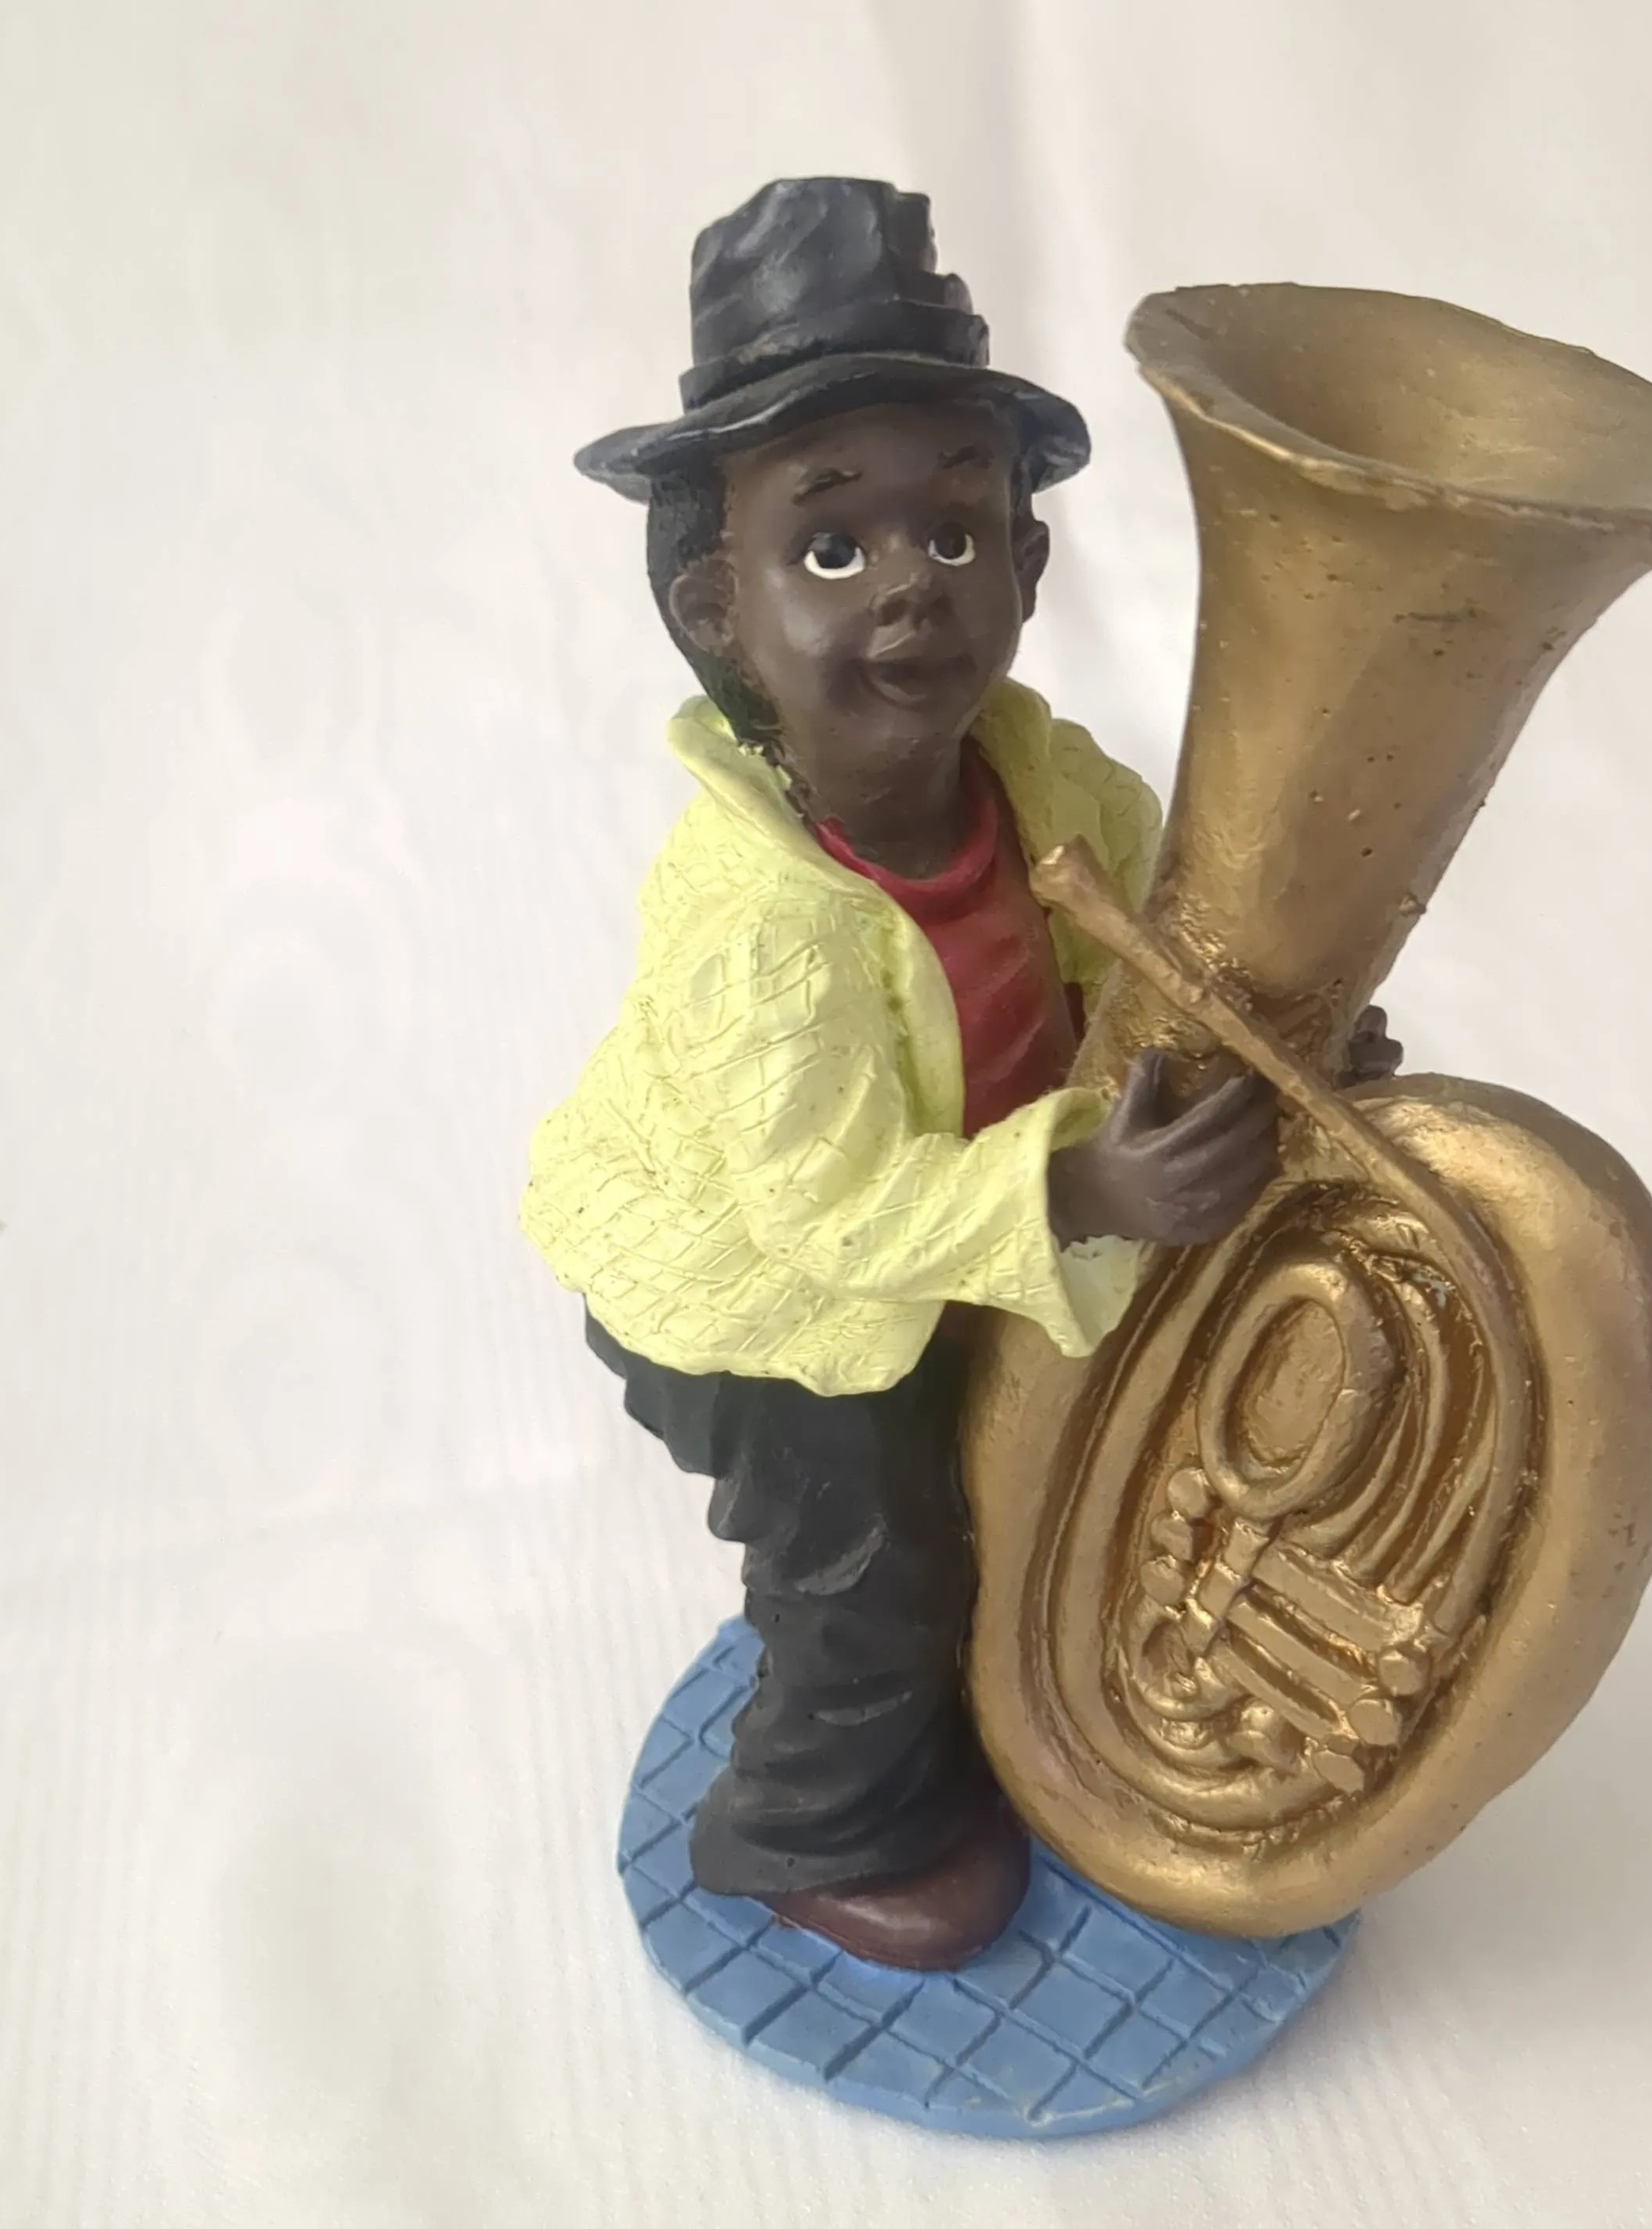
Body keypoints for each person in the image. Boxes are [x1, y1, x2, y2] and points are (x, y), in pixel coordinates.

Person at [523, 179, 1392, 1970]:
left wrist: (1287, 1055)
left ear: (1031, 565)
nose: (913, 583)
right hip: (751, 1291)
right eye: (832, 550)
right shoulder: (758, 929)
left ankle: (1019, 1696)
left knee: (1050, 1459)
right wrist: (1079, 1187)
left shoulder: (1040, 778)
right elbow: (834, 1220)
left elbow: (1161, 951)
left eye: (956, 527)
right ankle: (807, 1822)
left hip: (962, 1208)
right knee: (876, 1563)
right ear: (716, 607)